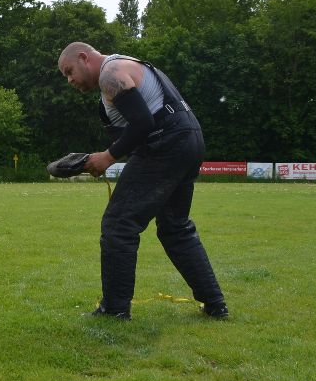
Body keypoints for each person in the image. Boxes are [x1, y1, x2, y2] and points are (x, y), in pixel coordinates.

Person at [57, 42, 228, 320]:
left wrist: (108, 157)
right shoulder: (129, 64)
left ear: (84, 57)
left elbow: (143, 124)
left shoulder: (110, 74)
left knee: (119, 224)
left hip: (165, 143)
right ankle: (215, 304)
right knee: (175, 227)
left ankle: (115, 310)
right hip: (188, 139)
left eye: (69, 71)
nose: (69, 80)